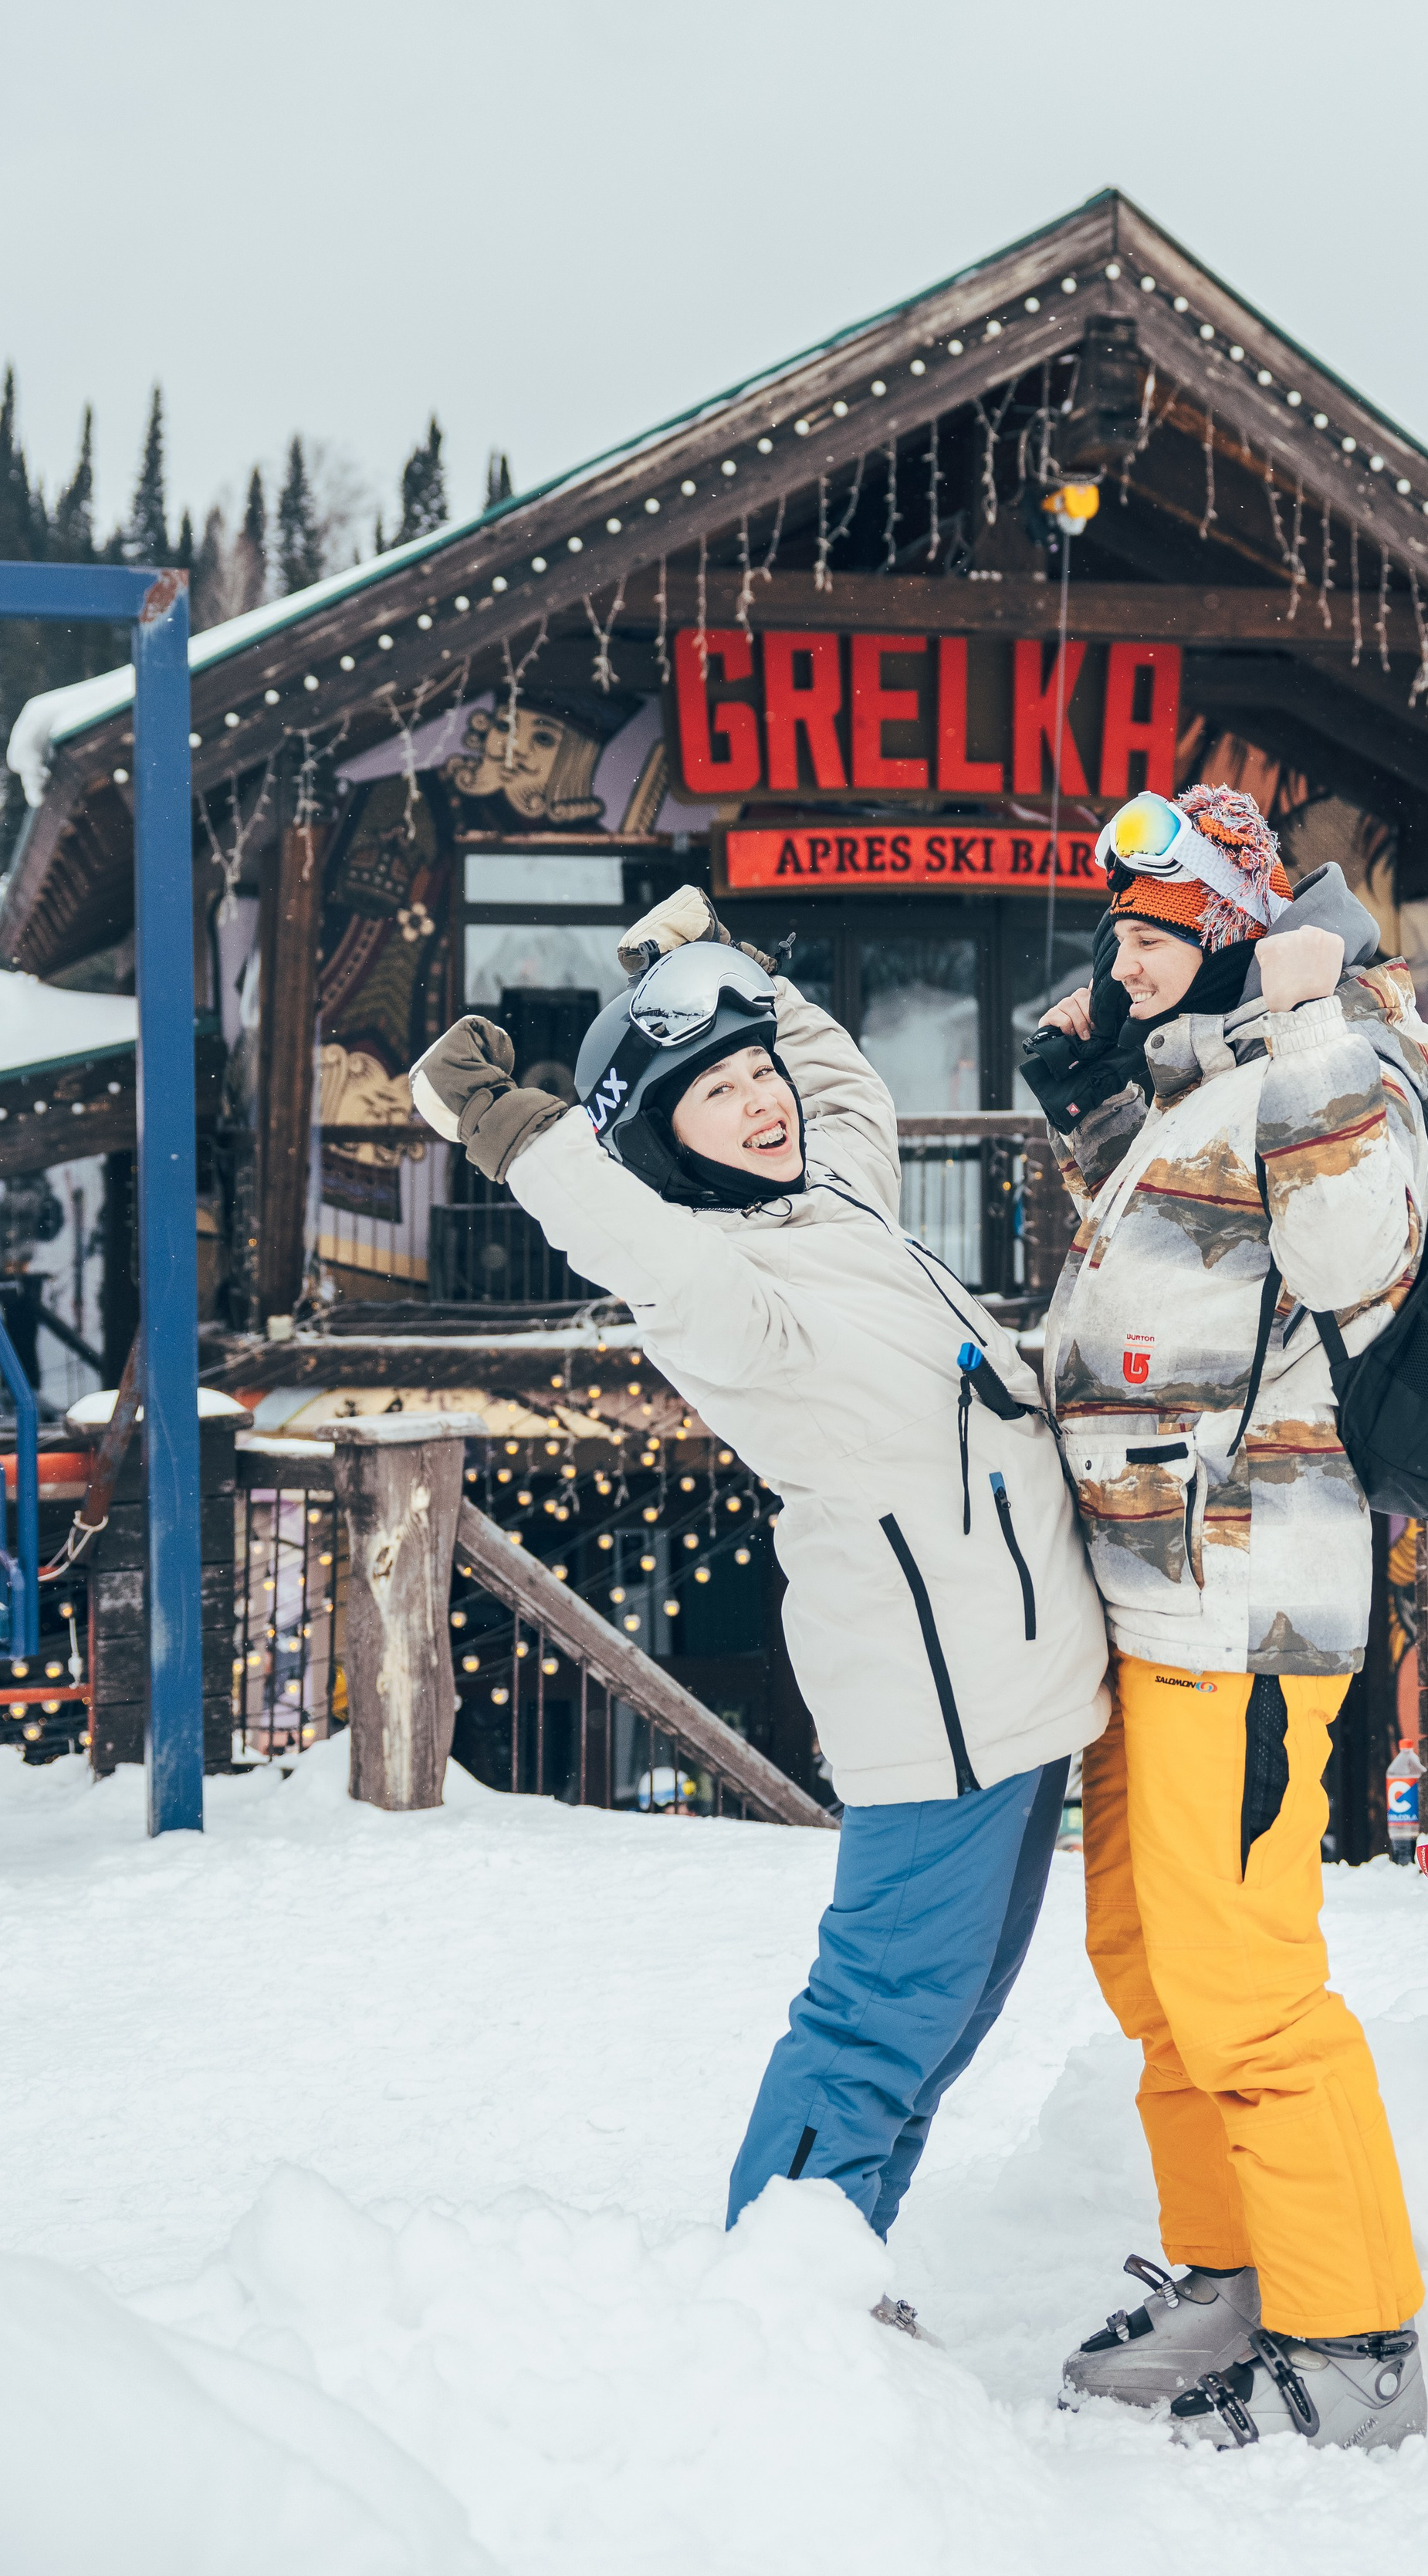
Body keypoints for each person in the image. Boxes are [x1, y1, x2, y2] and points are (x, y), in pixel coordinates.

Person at [411, 889, 1109, 2290]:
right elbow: (640, 1248)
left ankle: (838, 2279)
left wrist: (716, 968)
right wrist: (519, 1136)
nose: (758, 1103)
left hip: (1026, 1695)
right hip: (945, 1715)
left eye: (752, 1078)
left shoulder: (835, 1205)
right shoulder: (731, 1295)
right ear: (660, 1147)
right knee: (878, 2023)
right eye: (712, 1097)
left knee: (951, 2016)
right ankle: (779, 2302)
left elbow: (843, 1083)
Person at [1020, 783, 1428, 2450]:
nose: (1119, 968)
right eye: (1115, 939)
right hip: (1149, 1601)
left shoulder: (1335, 1057)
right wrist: (1088, 1091)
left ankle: (1351, 2339)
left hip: (1248, 1608)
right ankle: (1229, 2267)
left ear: (1241, 944)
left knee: (1244, 1977)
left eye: (1148, 941)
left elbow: (1348, 1254)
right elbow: (1186, 1274)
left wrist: (1312, 1016)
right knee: (1148, 1962)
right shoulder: (1213, 1081)